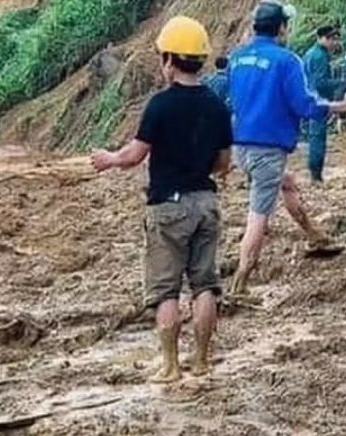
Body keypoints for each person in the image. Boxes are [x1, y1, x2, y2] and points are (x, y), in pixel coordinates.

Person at [90, 16, 231, 384]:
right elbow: (223, 164)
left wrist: (109, 159)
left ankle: (170, 366)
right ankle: (201, 360)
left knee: (166, 289)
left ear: (169, 60)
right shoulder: (217, 106)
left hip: (167, 207)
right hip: (206, 203)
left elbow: (135, 155)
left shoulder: (160, 105)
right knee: (206, 285)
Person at [227, 0, 346, 294]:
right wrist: (339, 107)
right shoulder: (287, 61)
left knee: (286, 183)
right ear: (282, 28)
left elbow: (234, 98)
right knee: (258, 215)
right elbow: (304, 105)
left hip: (242, 146)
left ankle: (314, 235)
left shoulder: (237, 58)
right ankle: (240, 283)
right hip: (268, 148)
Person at [303, 25, 345, 183]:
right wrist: (340, 84)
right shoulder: (320, 56)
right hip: (318, 100)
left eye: (335, 38)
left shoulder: (310, 53)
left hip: (310, 98)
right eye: (331, 39)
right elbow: (321, 83)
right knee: (317, 138)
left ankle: (315, 173)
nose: (334, 42)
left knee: (315, 137)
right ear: (322, 39)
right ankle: (316, 175)